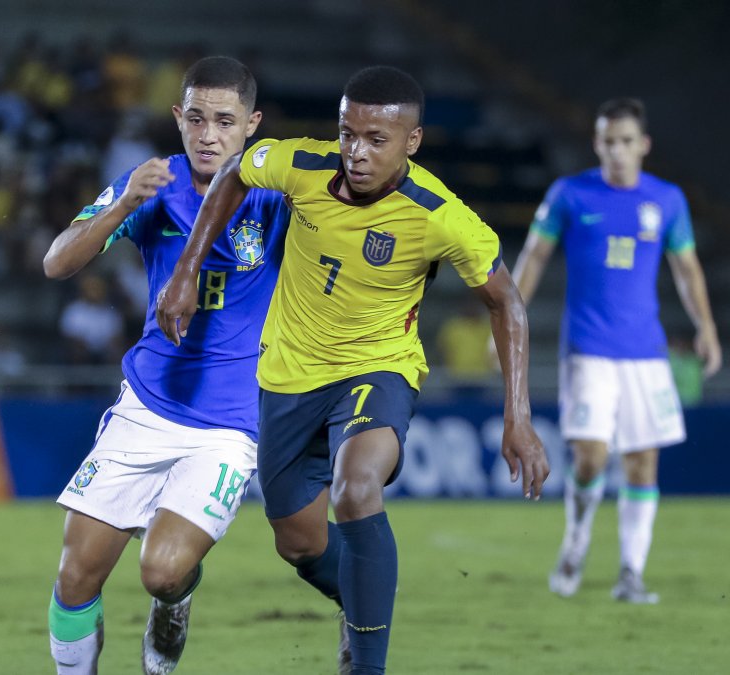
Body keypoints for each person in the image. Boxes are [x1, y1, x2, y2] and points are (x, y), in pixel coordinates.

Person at [156, 65, 550, 675]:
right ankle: (361, 597)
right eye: (348, 135)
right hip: (287, 376)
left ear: (411, 143)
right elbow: (234, 173)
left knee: (356, 485)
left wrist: (517, 417)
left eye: (376, 140)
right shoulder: (302, 165)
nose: (356, 153)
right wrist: (187, 269)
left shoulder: (439, 214)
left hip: (378, 368)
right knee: (299, 542)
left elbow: (507, 301)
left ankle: (366, 666)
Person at [41, 56, 288, 675]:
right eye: (197, 118)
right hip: (147, 406)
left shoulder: (279, 196)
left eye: (225, 121)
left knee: (162, 570)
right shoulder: (151, 185)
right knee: (75, 577)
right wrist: (123, 204)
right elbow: (57, 262)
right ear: (178, 118)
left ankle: (175, 602)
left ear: (251, 125)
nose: (209, 134)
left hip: (231, 424)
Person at [509, 97, 721, 604]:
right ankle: (576, 543)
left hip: (645, 353)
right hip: (588, 348)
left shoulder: (666, 200)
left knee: (642, 464)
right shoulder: (570, 194)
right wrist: (511, 321)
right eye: (608, 141)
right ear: (597, 144)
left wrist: (706, 328)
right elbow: (535, 256)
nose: (618, 151)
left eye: (627, 141)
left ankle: (630, 572)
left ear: (643, 145)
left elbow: (687, 270)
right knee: (590, 459)